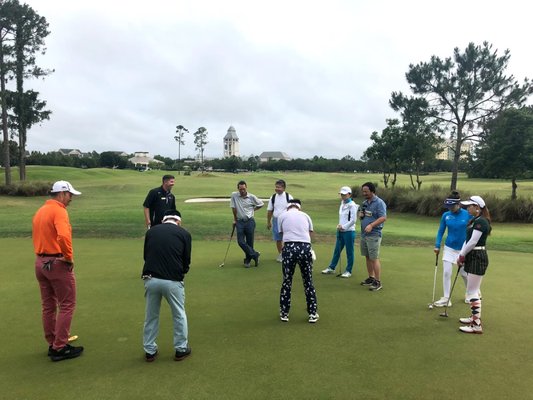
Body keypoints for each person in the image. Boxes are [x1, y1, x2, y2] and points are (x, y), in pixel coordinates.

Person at [32, 180, 84, 362]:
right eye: (70, 195)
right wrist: (68, 258)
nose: (71, 199)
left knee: (48, 306)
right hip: (56, 262)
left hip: (40, 262)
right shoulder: (59, 211)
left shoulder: (41, 211)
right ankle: (60, 347)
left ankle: (53, 342)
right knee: (67, 304)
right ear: (62, 193)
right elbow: (63, 236)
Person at [142, 210, 192, 361]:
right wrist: (182, 272)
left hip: (150, 278)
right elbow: (186, 260)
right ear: (179, 221)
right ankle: (181, 349)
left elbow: (146, 255)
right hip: (172, 280)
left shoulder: (151, 232)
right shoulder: (184, 234)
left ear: (164, 220)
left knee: (151, 315)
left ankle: (150, 351)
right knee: (179, 314)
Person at [277, 199, 319, 323]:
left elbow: (281, 233)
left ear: (288, 207)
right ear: (299, 207)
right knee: (308, 281)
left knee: (287, 281)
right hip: (305, 247)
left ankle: (284, 313)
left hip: (289, 248)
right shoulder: (305, 215)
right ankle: (312, 313)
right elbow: (311, 233)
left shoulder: (282, 216)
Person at [457, 196, 492, 334]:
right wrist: (462, 254)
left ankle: (476, 324)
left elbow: (473, 242)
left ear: (477, 207)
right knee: (472, 290)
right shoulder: (475, 220)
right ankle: (473, 317)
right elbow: (468, 241)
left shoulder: (481, 222)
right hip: (473, 256)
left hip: (478, 256)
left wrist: (462, 255)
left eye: (469, 206)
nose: (467, 208)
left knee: (472, 291)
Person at [433, 191, 470, 307]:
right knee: (446, 272)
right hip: (449, 247)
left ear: (458, 204)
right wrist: (437, 245)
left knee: (464, 274)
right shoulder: (446, 215)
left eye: (452, 206)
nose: (450, 208)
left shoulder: (467, 214)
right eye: (448, 206)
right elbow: (441, 231)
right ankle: (446, 298)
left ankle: (471, 293)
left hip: (463, 249)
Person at [321, 186, 359, 278]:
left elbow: (353, 220)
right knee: (337, 250)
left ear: (349, 194)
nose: (342, 196)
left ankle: (348, 271)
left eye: (344, 194)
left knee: (349, 252)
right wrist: (340, 226)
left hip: (349, 231)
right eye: (341, 194)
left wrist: (344, 227)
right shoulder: (342, 203)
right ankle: (332, 267)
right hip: (340, 230)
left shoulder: (352, 205)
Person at [359, 182, 387, 291]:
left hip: (374, 234)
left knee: (374, 258)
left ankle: (378, 281)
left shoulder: (379, 203)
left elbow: (383, 217)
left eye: (366, 191)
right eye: (363, 191)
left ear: (372, 191)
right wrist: (361, 216)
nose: (364, 193)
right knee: (367, 256)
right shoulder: (365, 202)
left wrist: (371, 225)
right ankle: (371, 277)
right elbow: (363, 215)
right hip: (364, 234)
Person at [230, 180, 264, 267]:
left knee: (250, 242)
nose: (242, 191)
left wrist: (254, 209)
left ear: (246, 188)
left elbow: (261, 204)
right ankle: (255, 254)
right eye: (240, 189)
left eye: (244, 189)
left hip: (250, 222)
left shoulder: (252, 197)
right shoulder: (234, 195)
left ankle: (248, 260)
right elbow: (233, 208)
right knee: (240, 242)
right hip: (239, 221)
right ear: (238, 189)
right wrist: (234, 219)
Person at [266, 179, 293, 262]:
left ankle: (288, 254)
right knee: (278, 239)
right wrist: (268, 222)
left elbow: (293, 210)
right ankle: (281, 254)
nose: (277, 189)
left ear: (284, 188)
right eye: (276, 187)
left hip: (286, 220)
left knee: (287, 238)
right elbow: (270, 210)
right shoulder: (273, 197)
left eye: (279, 187)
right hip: (276, 220)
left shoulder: (289, 197)